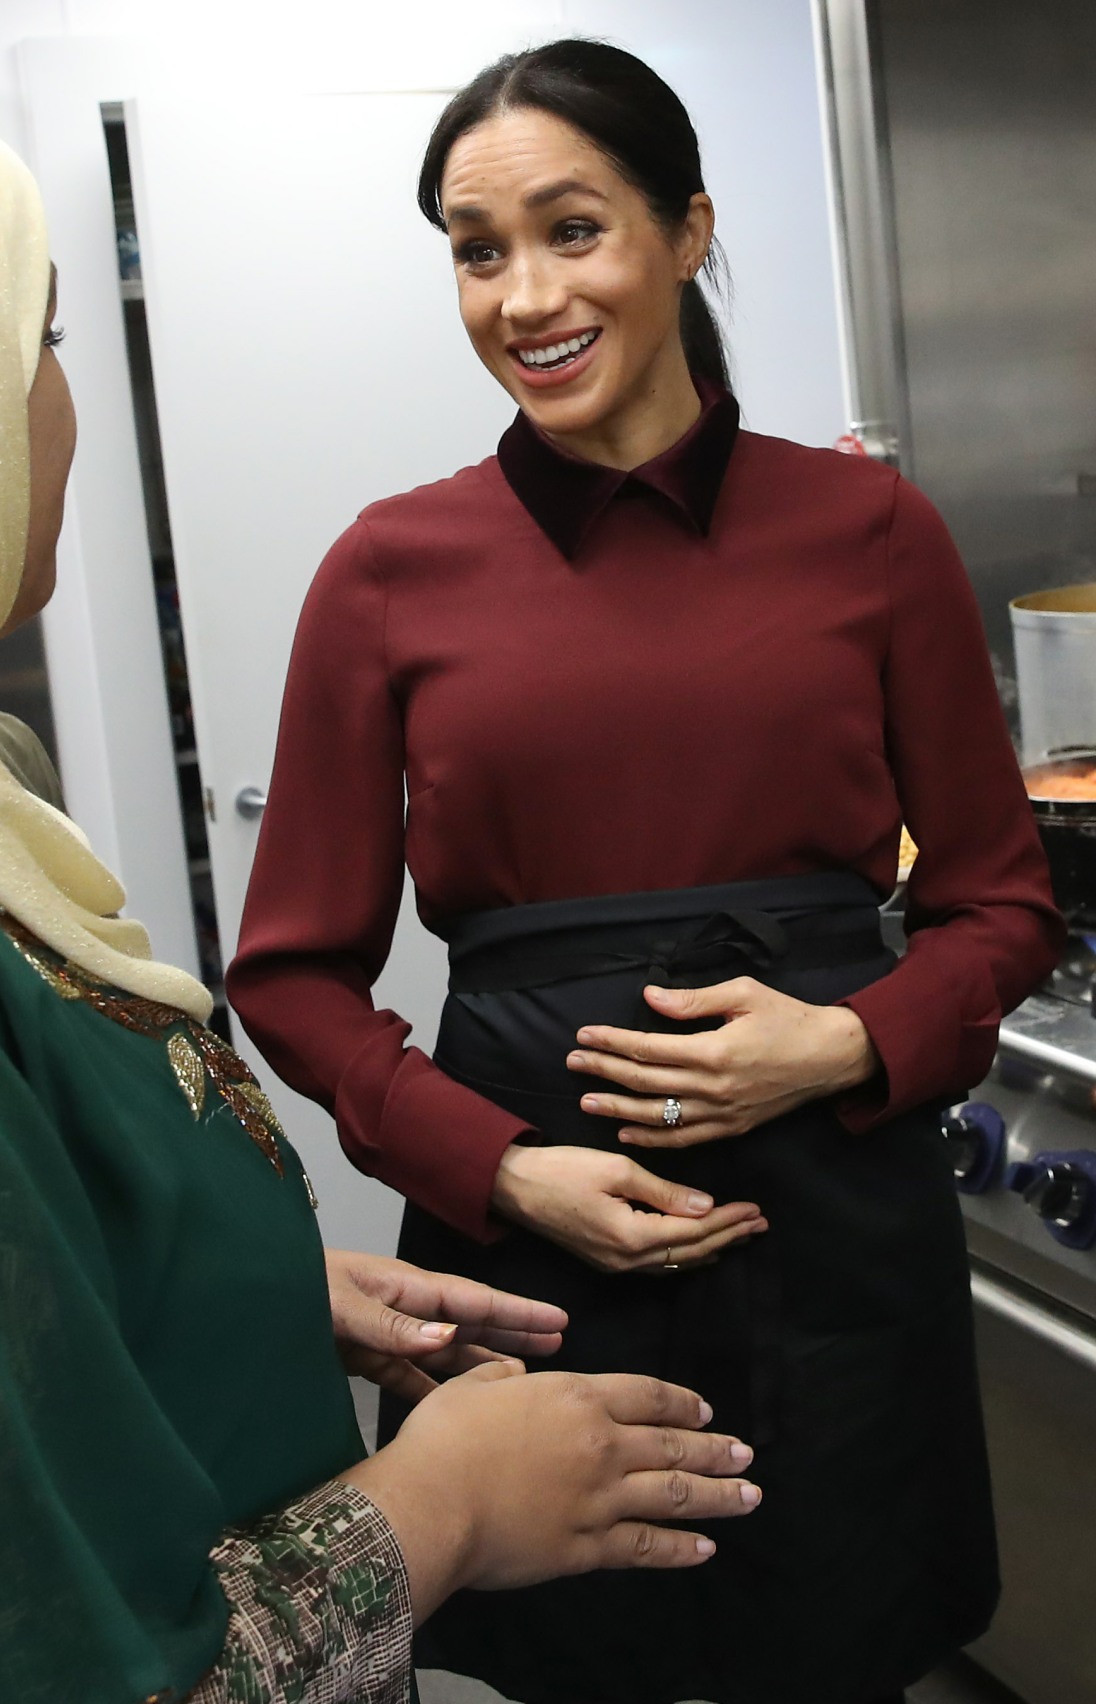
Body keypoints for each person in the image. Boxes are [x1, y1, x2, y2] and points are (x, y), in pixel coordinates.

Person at [0, 26, 768, 1704]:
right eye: (37, 341)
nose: (58, 405)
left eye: (573, 230)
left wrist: (231, 1288)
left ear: (689, 233)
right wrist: (453, 1496)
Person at [227, 37, 1065, 1704]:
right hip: (540, 1241)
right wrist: (501, 1171)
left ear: (687, 232)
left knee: (841, 1644)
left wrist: (849, 1042)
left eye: (572, 229)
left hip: (836, 1211)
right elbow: (293, 977)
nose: (522, 294)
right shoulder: (389, 572)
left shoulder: (871, 534)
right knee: (574, 1660)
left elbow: (1001, 900)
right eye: (478, 250)